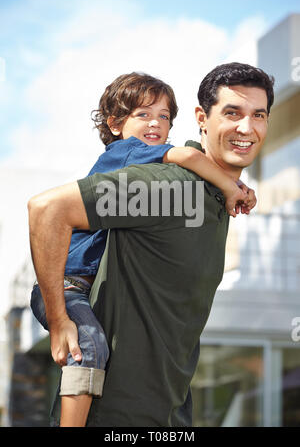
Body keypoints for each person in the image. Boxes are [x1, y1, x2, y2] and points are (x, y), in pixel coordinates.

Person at [28, 62, 273, 427]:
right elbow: (47, 209)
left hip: (170, 415)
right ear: (202, 119)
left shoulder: (214, 197)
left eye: (259, 115)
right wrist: (60, 317)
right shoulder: (174, 188)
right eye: (232, 113)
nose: (246, 127)